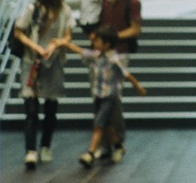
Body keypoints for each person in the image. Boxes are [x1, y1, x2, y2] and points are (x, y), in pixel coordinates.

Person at [57, 27, 146, 168]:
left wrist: (138, 87)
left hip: (109, 96)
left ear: (107, 44)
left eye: (98, 41)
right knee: (107, 125)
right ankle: (118, 146)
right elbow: (81, 51)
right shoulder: (96, 55)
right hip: (98, 95)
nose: (94, 42)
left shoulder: (113, 59)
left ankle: (90, 153)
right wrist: (64, 44)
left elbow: (126, 74)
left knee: (98, 125)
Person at [13, 0, 74, 169]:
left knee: (51, 108)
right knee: (31, 108)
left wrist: (56, 44)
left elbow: (68, 35)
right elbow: (18, 31)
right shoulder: (34, 9)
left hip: (53, 62)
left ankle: (45, 146)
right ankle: (30, 150)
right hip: (32, 62)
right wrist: (36, 47)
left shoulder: (65, 10)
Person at [95, 0, 142, 160]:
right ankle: (105, 145)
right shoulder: (103, 0)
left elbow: (135, 29)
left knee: (113, 100)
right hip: (99, 55)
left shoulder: (132, 2)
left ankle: (118, 141)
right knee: (99, 100)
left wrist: (113, 38)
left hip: (119, 53)